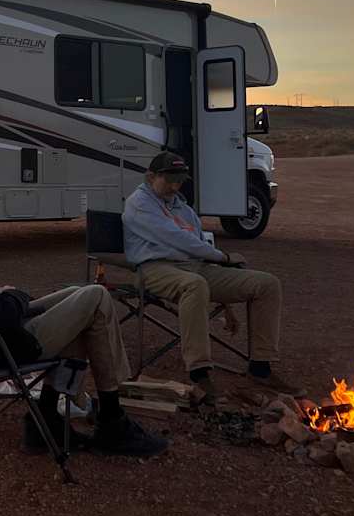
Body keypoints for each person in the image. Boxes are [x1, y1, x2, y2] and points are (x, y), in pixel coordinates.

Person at [0, 176, 168, 458]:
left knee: (79, 293)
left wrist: (4, 299)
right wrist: (13, 296)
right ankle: (111, 421)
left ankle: (45, 419)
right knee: (97, 298)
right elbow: (0, 315)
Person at [121, 151, 303, 402]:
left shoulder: (181, 206)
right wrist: (223, 258)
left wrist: (225, 299)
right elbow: (178, 239)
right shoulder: (139, 203)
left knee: (266, 284)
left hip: (197, 266)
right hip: (155, 269)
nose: (175, 186)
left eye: (180, 180)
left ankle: (260, 367)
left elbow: (199, 242)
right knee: (194, 285)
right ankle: (199, 372)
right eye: (169, 180)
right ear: (151, 176)